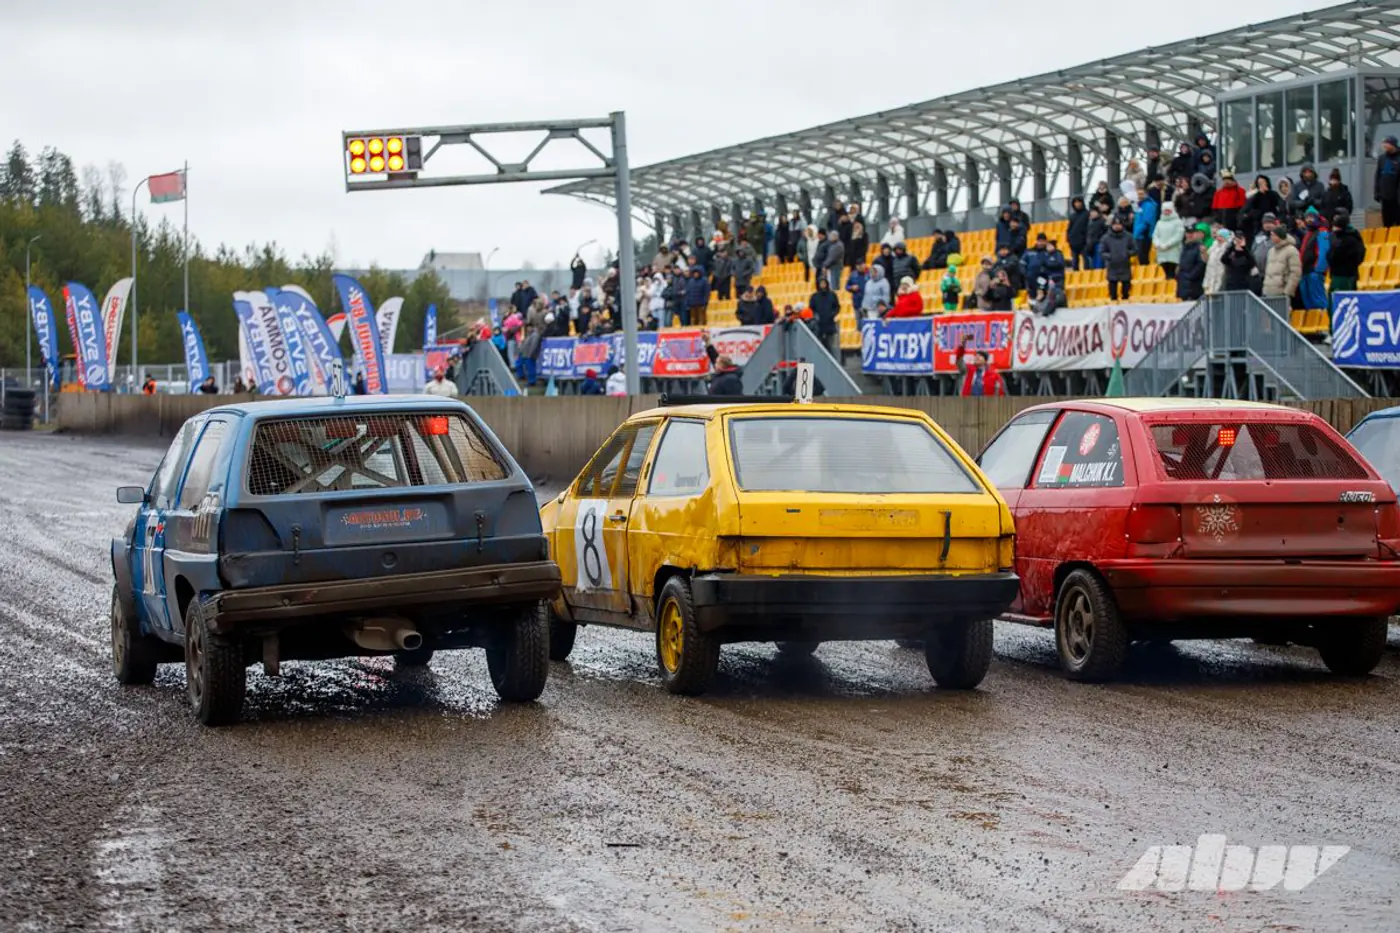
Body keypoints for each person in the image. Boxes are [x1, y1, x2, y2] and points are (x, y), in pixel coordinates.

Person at [1298, 210, 1332, 311]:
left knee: (1318, 300)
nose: (1309, 220)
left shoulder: (1322, 233)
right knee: (1308, 302)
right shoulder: (1308, 233)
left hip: (1314, 272)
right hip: (1305, 272)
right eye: (1307, 218)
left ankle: (1324, 323)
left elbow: (1324, 253)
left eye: (1311, 217)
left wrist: (1318, 270)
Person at [1329, 209, 1366, 298]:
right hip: (1341, 274)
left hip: (1344, 275)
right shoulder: (1351, 237)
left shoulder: (1347, 239)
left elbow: (1334, 255)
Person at [1262, 227, 1303, 302]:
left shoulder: (1291, 250)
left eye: (1273, 235)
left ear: (1279, 236)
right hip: (1268, 293)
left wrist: (1287, 292)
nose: (1271, 237)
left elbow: (1295, 273)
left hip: (1282, 293)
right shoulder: (1271, 251)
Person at [1101, 217, 1134, 300]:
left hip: (1125, 266)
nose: (1117, 226)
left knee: (1126, 292)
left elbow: (1135, 249)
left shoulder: (1128, 236)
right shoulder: (1106, 238)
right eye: (1115, 224)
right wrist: (1110, 256)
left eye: (1119, 224)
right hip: (1112, 267)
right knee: (1113, 293)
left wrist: (1127, 254)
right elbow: (1102, 251)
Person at [1242, 175, 1282, 241]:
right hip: (1259, 225)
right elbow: (1248, 210)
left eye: (1263, 182)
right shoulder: (1255, 197)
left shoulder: (1273, 194)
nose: (1262, 184)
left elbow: (1280, 207)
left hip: (1273, 222)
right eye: (1259, 183)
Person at [808, 277, 841, 355]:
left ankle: (833, 362)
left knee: (831, 346)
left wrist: (833, 314)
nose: (823, 285)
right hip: (818, 325)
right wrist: (815, 316)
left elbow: (837, 307)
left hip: (830, 323)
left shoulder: (832, 295)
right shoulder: (814, 296)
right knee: (819, 346)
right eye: (821, 283)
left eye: (824, 283)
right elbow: (811, 309)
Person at [1152, 202, 1185, 279]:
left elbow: (1179, 235)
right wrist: (1158, 244)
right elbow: (1155, 235)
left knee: (1172, 267)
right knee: (1164, 266)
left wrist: (1168, 244)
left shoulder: (1178, 222)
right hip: (1161, 250)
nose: (1166, 212)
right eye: (1165, 210)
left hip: (1173, 249)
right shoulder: (1159, 223)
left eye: (1168, 210)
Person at [1176, 226, 1208, 301]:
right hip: (1183, 284)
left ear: (1196, 234)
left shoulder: (1200, 247)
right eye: (1188, 233)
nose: (1189, 235)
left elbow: (1201, 264)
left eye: (1192, 233)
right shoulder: (1184, 246)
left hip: (1194, 286)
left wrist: (1191, 276)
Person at [1250, 212, 1277, 295]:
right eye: (1265, 223)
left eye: (1270, 223)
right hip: (1258, 274)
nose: (1267, 225)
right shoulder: (1258, 236)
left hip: (1272, 274)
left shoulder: (1278, 237)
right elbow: (1252, 251)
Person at [1377, 135, 1400, 227]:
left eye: (1386, 143)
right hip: (1385, 197)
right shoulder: (1382, 158)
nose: (1384, 146)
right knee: (1386, 223)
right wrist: (1377, 192)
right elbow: (1378, 176)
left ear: (1392, 145)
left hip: (1397, 199)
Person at [1133, 186, 1159, 265]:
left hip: (1144, 235)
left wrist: (1138, 233)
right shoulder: (1140, 206)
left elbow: (1147, 222)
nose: (1139, 196)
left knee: (1143, 257)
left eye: (1141, 194)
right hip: (1139, 235)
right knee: (1140, 257)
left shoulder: (1148, 205)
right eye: (1138, 194)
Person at [1066, 196, 1089, 270]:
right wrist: (1069, 239)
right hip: (1074, 243)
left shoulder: (1087, 214)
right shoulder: (1072, 216)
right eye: (1075, 202)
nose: (1077, 204)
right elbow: (1069, 229)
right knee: (1075, 263)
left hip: (1084, 242)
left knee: (1086, 261)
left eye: (1079, 202)